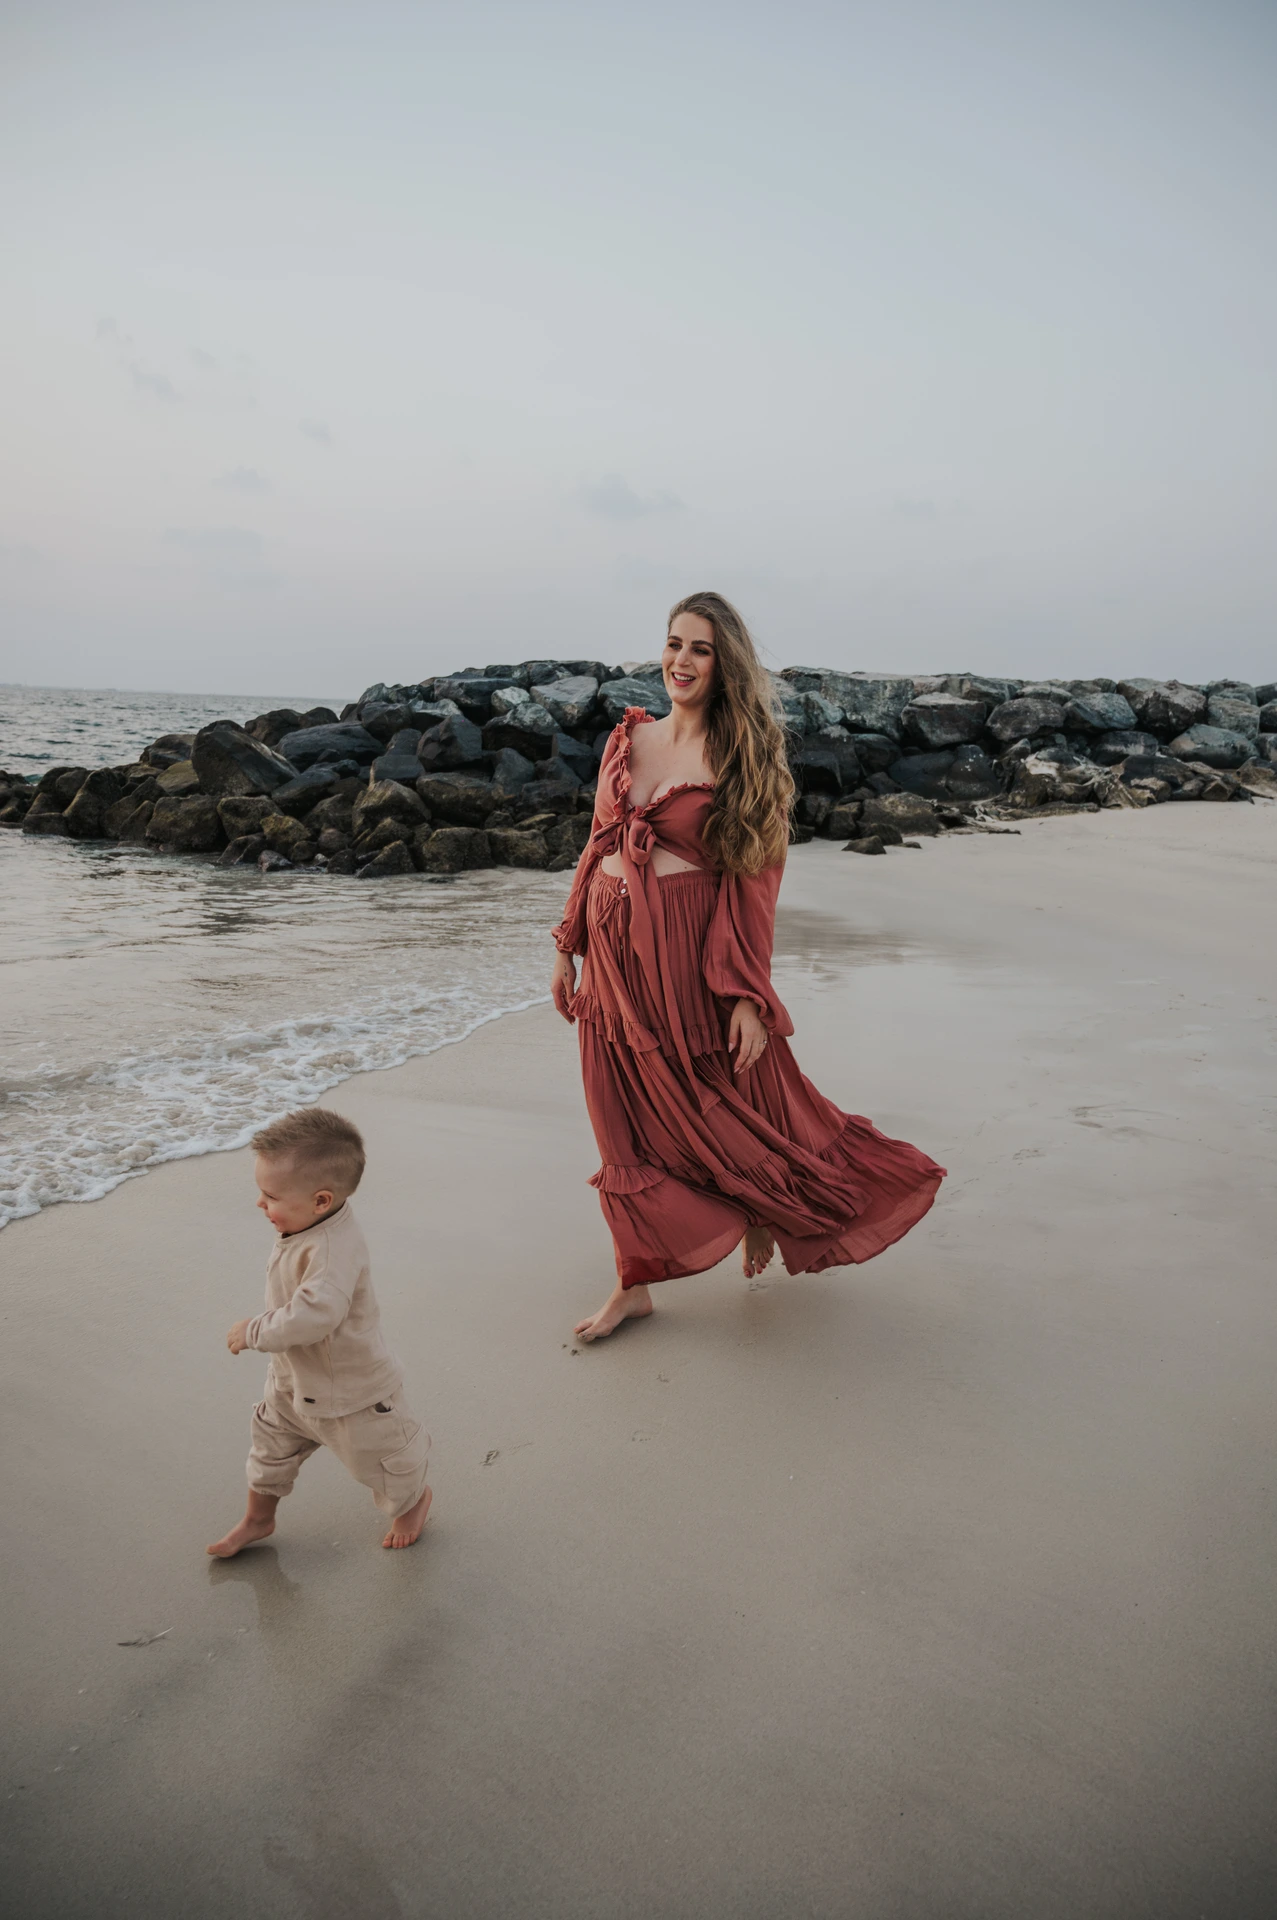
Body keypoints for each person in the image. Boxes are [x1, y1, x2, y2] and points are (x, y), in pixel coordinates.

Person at [552, 591, 946, 1342]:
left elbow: (753, 883)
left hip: (687, 961)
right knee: (619, 1125)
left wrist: (745, 996)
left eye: (699, 648)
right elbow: (597, 843)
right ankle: (633, 1283)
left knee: (728, 1110)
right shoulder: (625, 740)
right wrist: (566, 946)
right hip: (611, 962)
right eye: (672, 644)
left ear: (724, 662)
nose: (680, 661)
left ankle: (764, 1209)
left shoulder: (744, 756)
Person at [207, 1107, 432, 1557]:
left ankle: (413, 1502)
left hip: (351, 1393)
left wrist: (255, 1331)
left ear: (321, 1201)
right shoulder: (307, 1221)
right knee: (269, 1453)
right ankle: (258, 1518)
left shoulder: (333, 1252)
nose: (260, 1204)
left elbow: (315, 1314)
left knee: (386, 1462)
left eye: (270, 1196)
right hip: (291, 1384)